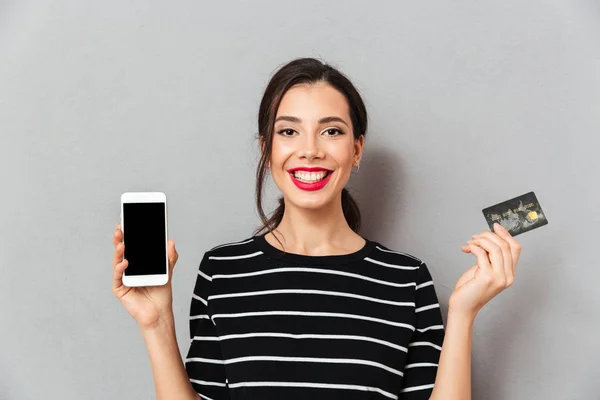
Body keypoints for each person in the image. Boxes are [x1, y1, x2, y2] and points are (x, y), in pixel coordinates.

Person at [111, 57, 522, 400]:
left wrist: (464, 314)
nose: (310, 149)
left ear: (356, 149)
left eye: (331, 131)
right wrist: (156, 324)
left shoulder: (406, 280)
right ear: (267, 149)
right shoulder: (223, 272)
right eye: (288, 131)